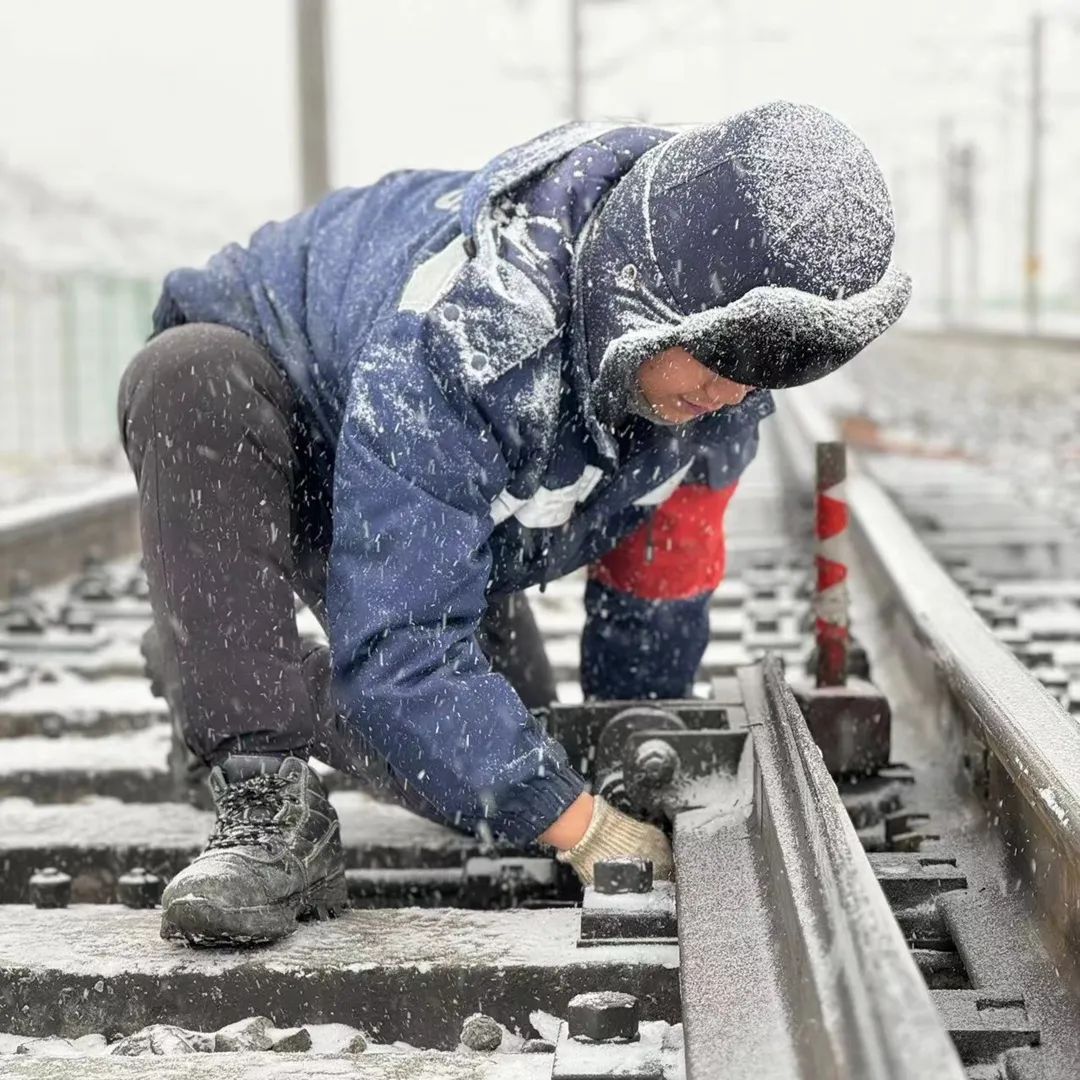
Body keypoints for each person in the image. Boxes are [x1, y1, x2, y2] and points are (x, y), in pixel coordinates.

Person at [117, 100, 909, 946]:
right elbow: (400, 656)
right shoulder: (478, 334)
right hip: (287, 427)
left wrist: (634, 765)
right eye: (720, 364)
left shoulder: (715, 399)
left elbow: (656, 593)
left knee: (507, 765)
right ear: (650, 289)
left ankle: (212, 657)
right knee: (190, 380)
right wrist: (583, 829)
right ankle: (256, 768)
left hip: (446, 514)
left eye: (758, 376)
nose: (731, 393)